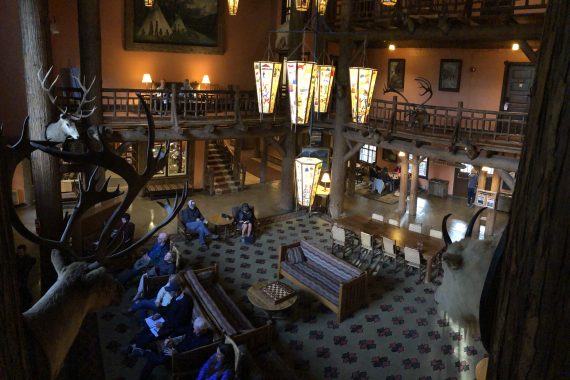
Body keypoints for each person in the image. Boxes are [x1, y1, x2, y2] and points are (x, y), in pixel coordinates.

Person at [134, 317, 214, 380]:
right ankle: (142, 375)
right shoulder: (194, 328)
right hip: (177, 348)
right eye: (194, 329)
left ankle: (144, 353)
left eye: (196, 331)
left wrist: (177, 354)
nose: (193, 331)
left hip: (182, 357)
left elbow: (193, 356)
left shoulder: (205, 342)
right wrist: (172, 340)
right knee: (154, 360)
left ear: (203, 331)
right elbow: (183, 335)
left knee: (159, 360)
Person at [131, 279, 193, 350]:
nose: (169, 292)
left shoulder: (185, 303)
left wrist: (163, 324)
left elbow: (177, 322)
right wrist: (159, 314)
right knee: (146, 325)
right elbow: (168, 307)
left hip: (171, 327)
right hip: (165, 318)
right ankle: (136, 341)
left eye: (170, 291)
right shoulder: (176, 296)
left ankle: (136, 347)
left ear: (176, 291)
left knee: (151, 335)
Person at [16, 244, 36, 310]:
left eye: (21, 252)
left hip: (23, 281)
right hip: (19, 281)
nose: (19, 254)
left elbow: (33, 260)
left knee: (24, 293)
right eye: (18, 252)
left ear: (24, 252)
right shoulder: (16, 259)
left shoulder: (27, 260)